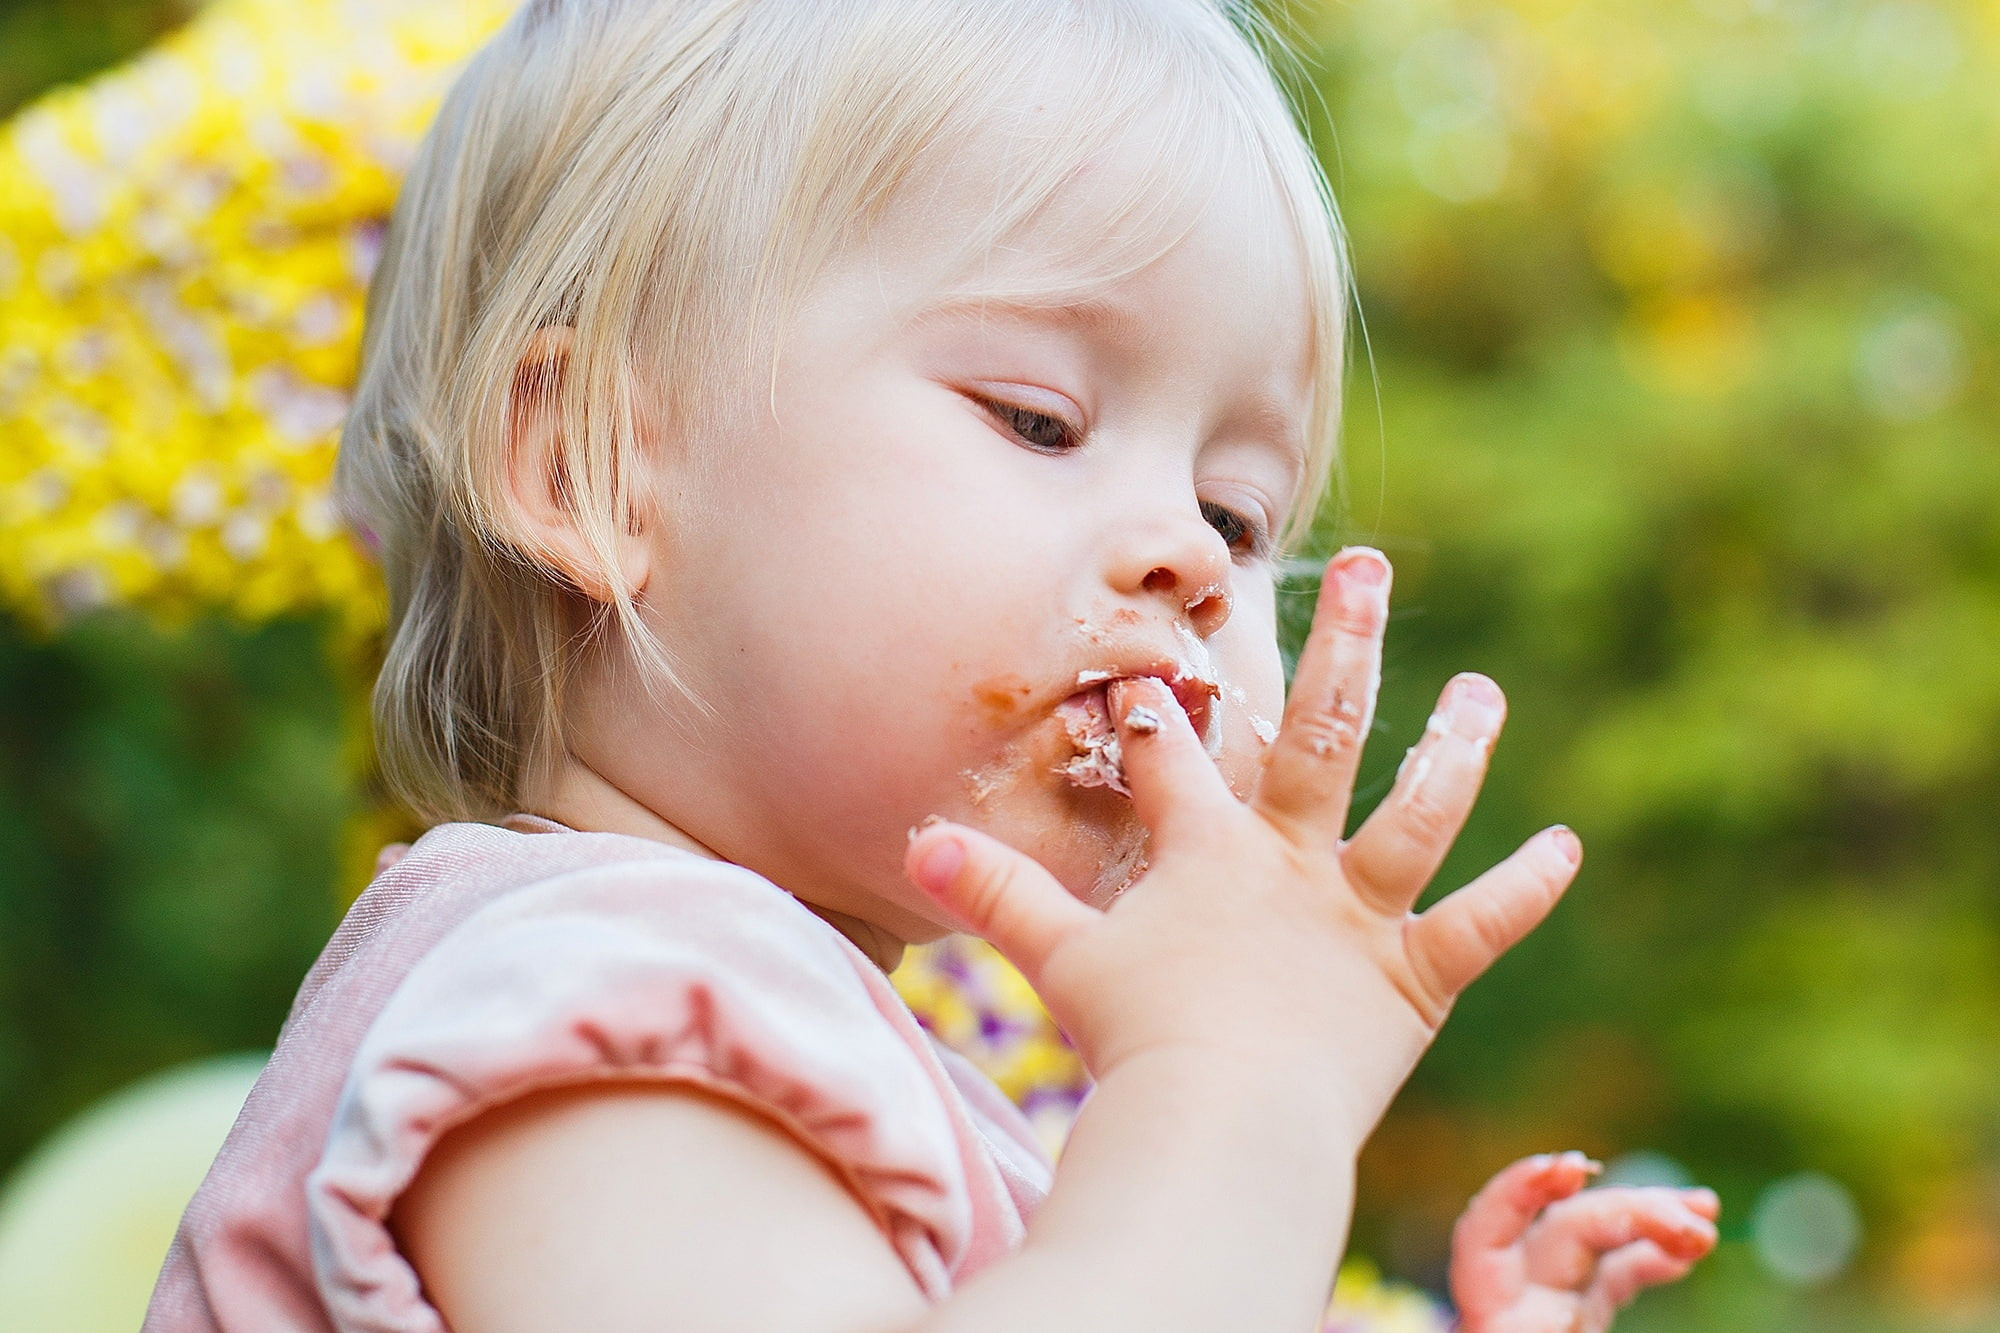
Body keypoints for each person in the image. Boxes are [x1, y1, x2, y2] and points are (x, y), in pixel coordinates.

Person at [145, 1, 1717, 1329]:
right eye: (1039, 418)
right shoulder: (582, 1028)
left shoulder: (830, 1062)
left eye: (1242, 514)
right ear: (591, 469)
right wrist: (1240, 1101)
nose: (1185, 553)